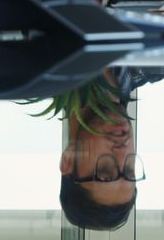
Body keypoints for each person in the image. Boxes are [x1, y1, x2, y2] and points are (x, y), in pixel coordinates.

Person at [58, 75, 141, 231]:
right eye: (130, 171)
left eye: (105, 171)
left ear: (68, 159)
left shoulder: (36, 70)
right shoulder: (159, 61)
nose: (123, 154)